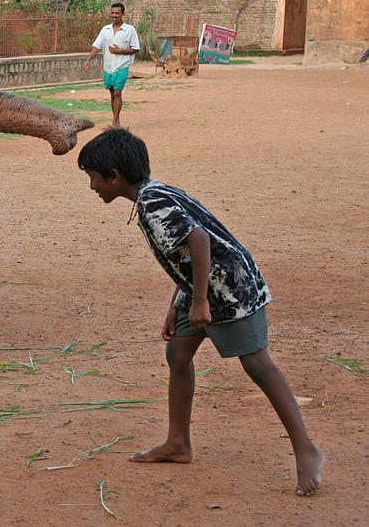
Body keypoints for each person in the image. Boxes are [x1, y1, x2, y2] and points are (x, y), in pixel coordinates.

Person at [77, 127, 325, 497]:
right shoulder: (153, 192)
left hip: (229, 289)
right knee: (178, 352)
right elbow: (184, 256)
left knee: (257, 363)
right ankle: (178, 443)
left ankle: (306, 449)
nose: (93, 186)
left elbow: (199, 240)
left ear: (114, 177)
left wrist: (198, 302)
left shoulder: (151, 203)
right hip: (203, 289)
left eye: (94, 179)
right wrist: (178, 302)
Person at [83, 3, 139, 128]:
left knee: (118, 93)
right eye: (112, 13)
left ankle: (116, 120)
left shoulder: (130, 30)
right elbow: (97, 46)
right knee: (112, 94)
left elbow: (136, 48)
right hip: (108, 67)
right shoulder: (105, 30)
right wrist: (88, 60)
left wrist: (121, 51)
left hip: (122, 66)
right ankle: (115, 117)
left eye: (117, 13)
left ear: (123, 14)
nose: (114, 15)